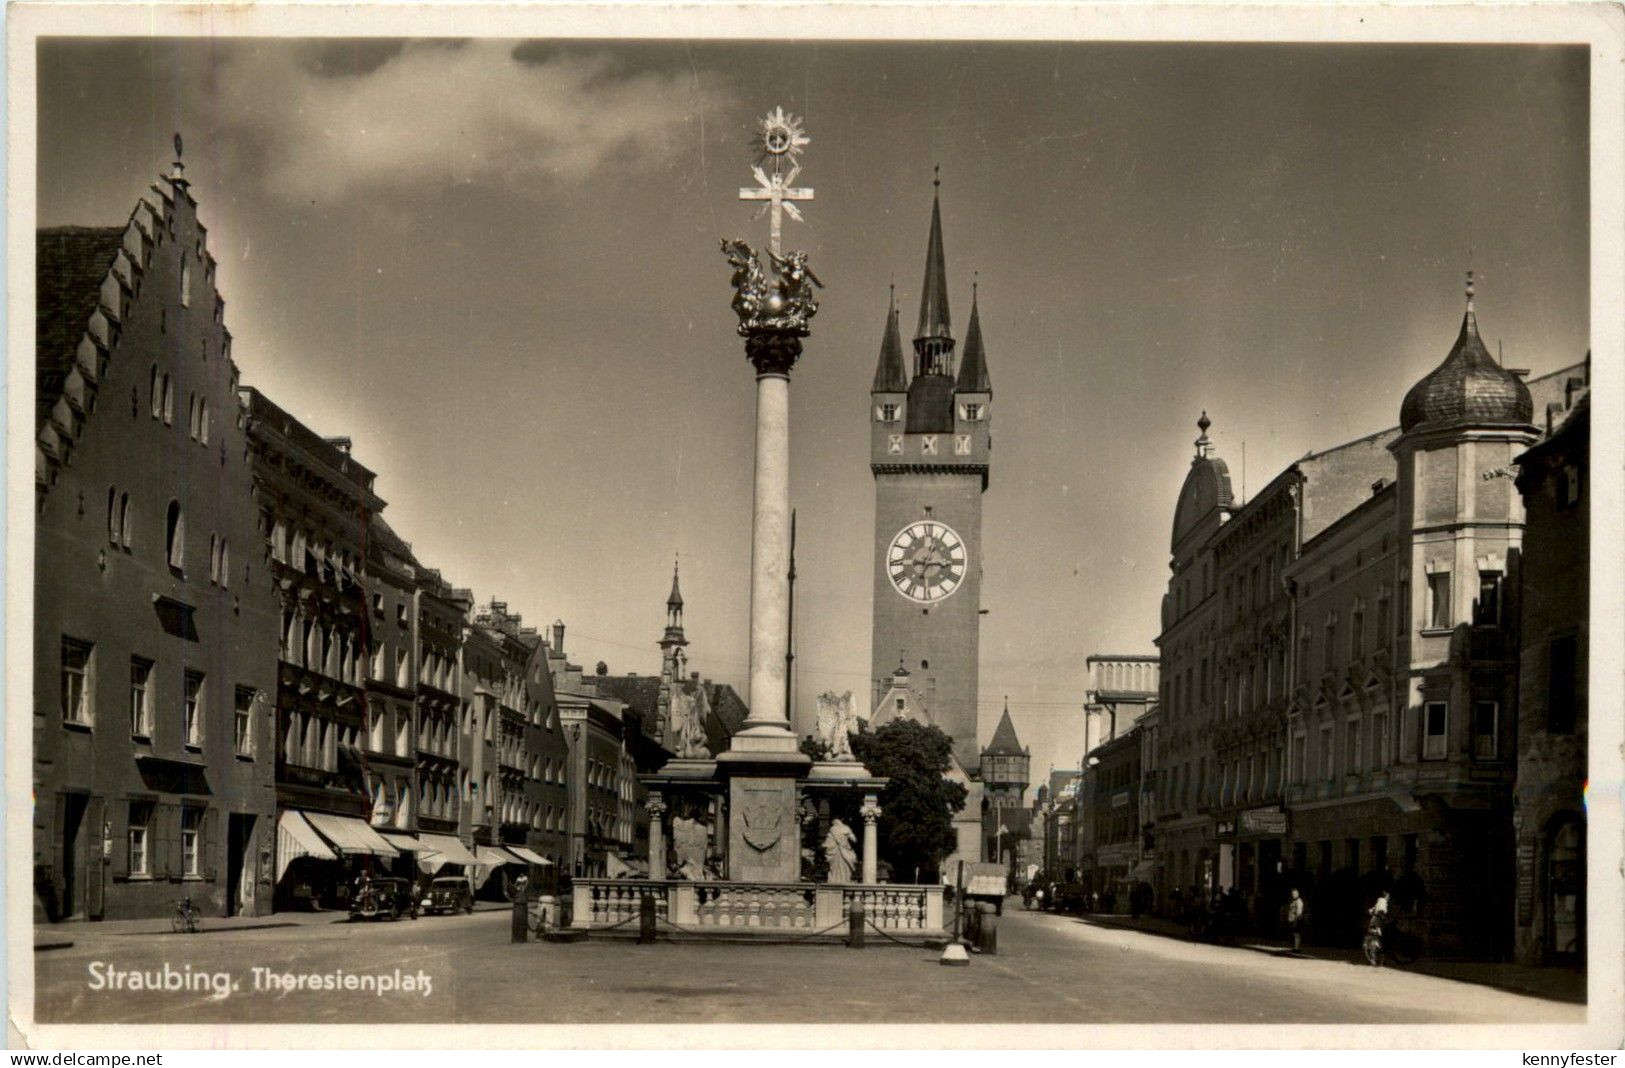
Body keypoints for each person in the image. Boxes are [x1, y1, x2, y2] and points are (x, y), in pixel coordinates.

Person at [1363, 890, 1390, 966]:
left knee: (1373, 940)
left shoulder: (1379, 901)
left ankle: (1373, 959)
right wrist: (1384, 919)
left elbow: (1371, 911)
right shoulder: (1383, 902)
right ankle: (1374, 959)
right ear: (1386, 895)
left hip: (1373, 921)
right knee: (1376, 941)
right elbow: (1381, 911)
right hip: (1377, 922)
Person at [1286, 887, 1306, 953]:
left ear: (1298, 894)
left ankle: (1297, 948)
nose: (1293, 895)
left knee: (1297, 934)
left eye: (1295, 893)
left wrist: (1296, 921)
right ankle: (1295, 947)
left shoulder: (1299, 901)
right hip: (1293, 920)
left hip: (1296, 920)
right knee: (1295, 934)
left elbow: (1299, 912)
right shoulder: (1294, 901)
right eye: (1292, 894)